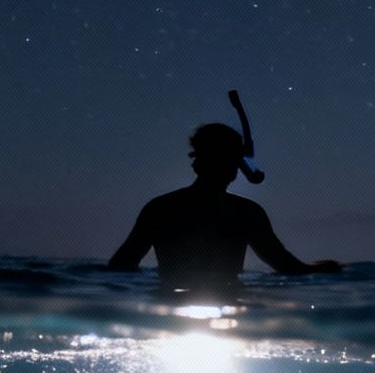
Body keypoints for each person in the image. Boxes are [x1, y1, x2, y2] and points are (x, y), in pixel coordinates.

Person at [109, 122, 340, 290]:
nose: (229, 167)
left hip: (196, 307)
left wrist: (319, 270)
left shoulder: (246, 213)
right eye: (218, 158)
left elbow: (119, 271)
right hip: (198, 308)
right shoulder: (162, 209)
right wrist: (318, 270)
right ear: (198, 163)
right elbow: (121, 266)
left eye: (231, 159)